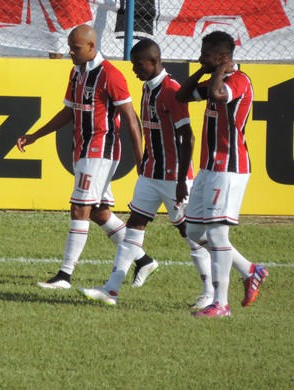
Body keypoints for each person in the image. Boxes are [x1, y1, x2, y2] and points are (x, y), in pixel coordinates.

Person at [17, 24, 156, 290]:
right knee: (98, 212)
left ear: (92, 47)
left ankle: (64, 276)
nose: (70, 52)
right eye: (70, 47)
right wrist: (35, 135)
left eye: (75, 48)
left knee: (79, 208)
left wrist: (141, 161)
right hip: (82, 149)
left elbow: (130, 119)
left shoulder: (111, 75)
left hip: (100, 150)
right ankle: (143, 260)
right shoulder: (76, 72)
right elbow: (68, 112)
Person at [76, 38, 214, 306]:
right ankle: (111, 289)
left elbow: (188, 137)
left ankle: (212, 291)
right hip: (151, 174)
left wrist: (183, 180)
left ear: (154, 62)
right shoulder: (147, 88)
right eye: (132, 65)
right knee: (133, 228)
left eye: (138, 65)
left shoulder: (171, 90)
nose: (134, 69)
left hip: (174, 177)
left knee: (192, 235)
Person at [175, 31, 268, 317]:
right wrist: (206, 69)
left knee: (216, 232)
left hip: (230, 167)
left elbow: (217, 94)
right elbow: (182, 95)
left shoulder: (238, 80)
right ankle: (250, 270)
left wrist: (220, 71)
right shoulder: (217, 75)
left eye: (206, 54)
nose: (200, 57)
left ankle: (221, 304)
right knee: (194, 231)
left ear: (223, 57)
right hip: (209, 168)